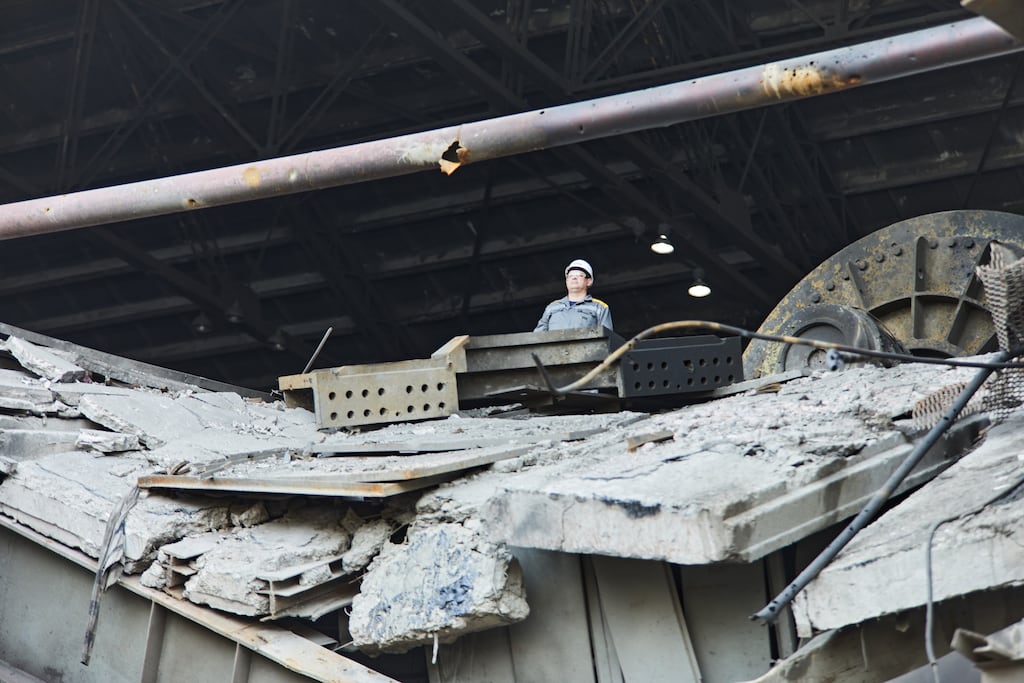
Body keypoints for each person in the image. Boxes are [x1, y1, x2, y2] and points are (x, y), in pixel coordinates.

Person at [534, 258, 613, 332]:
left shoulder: (599, 308)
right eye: (570, 276)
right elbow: (537, 338)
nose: (574, 278)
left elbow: (607, 338)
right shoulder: (552, 307)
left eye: (579, 275)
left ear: (588, 281)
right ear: (566, 281)